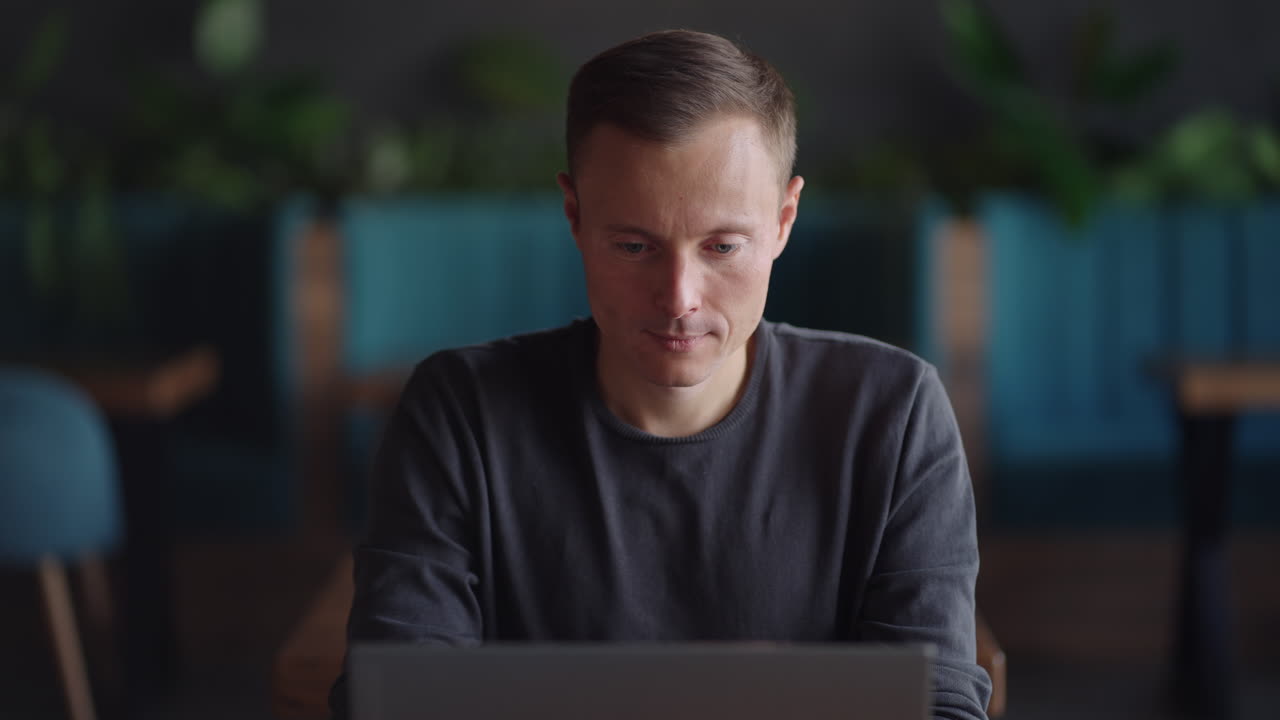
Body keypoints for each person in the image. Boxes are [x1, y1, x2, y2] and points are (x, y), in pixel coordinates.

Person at [329, 29, 991, 720]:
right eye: (635, 245)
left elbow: (939, 704)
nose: (679, 298)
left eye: (722, 246)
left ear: (783, 221)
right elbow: (393, 698)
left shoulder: (892, 412)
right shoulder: (459, 413)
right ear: (575, 216)